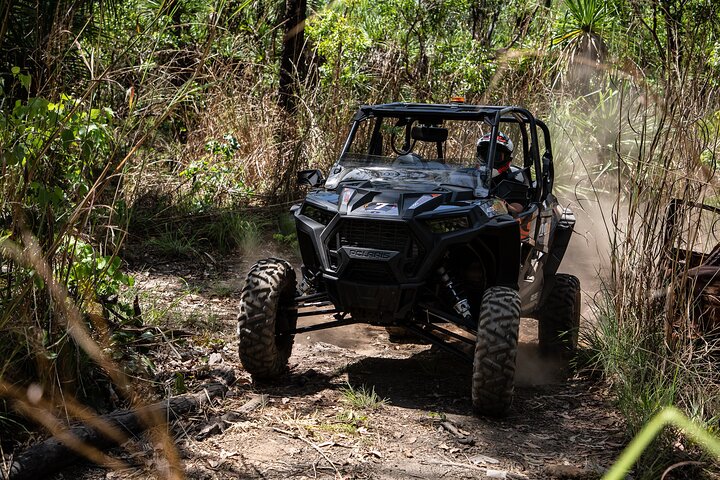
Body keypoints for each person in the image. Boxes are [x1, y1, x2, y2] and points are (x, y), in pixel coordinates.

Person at [476, 132, 523, 214]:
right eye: (485, 155)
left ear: (507, 159)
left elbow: (518, 208)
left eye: (496, 156)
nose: (489, 160)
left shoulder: (512, 183)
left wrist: (504, 205)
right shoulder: (471, 177)